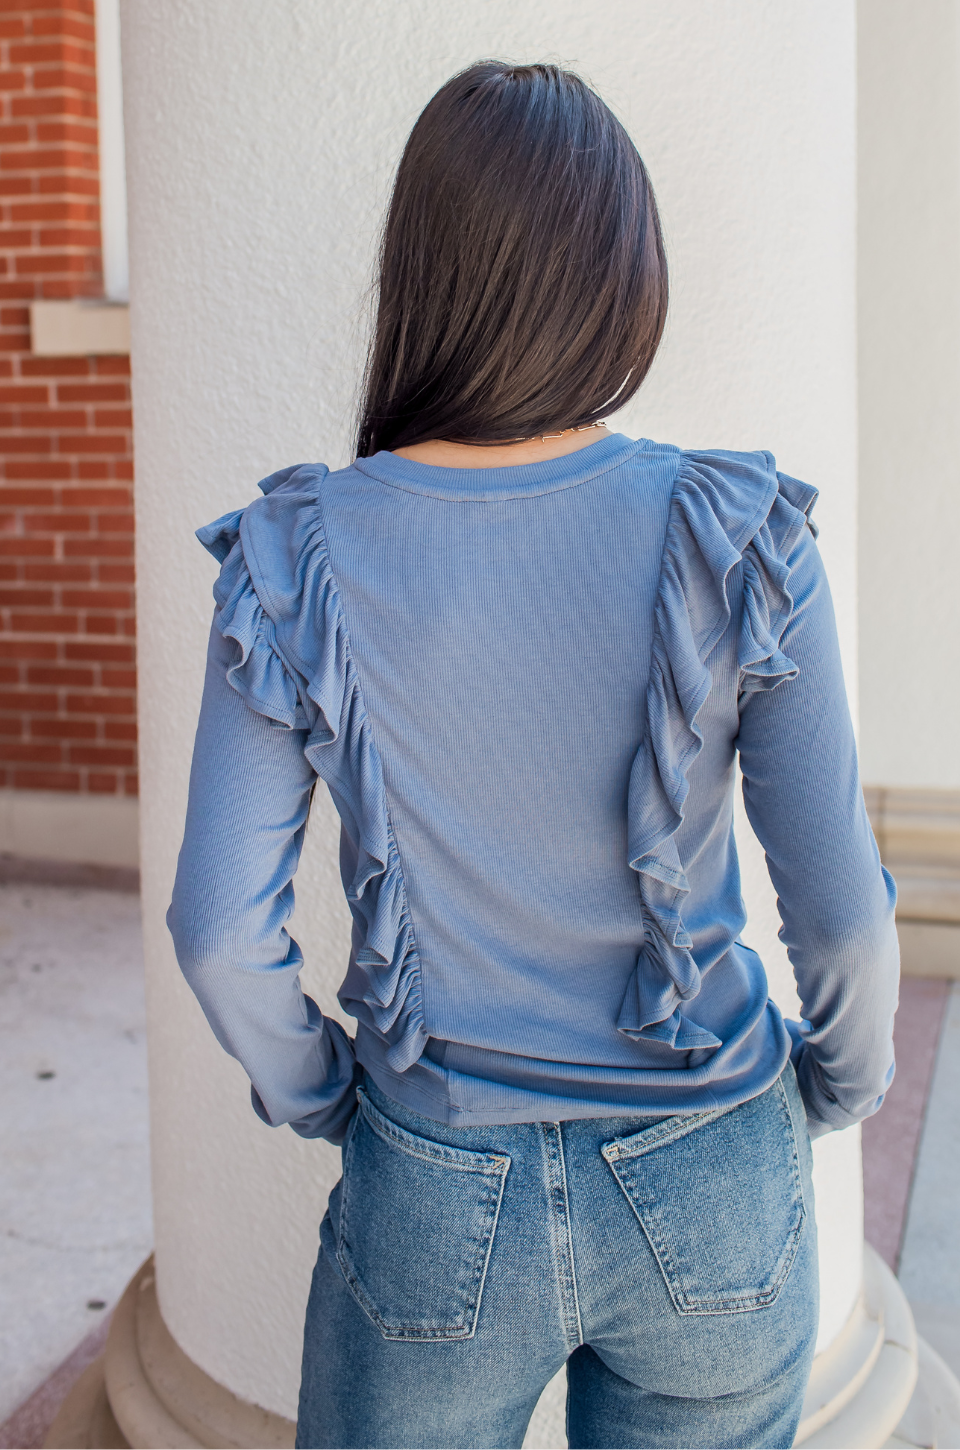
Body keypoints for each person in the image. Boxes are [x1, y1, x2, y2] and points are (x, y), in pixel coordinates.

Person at [168, 60, 899, 1450]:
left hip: (438, 1181)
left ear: (420, 278)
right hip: (719, 1170)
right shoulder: (740, 531)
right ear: (622, 279)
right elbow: (851, 920)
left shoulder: (292, 557)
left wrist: (331, 1101)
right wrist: (831, 1090)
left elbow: (216, 929)